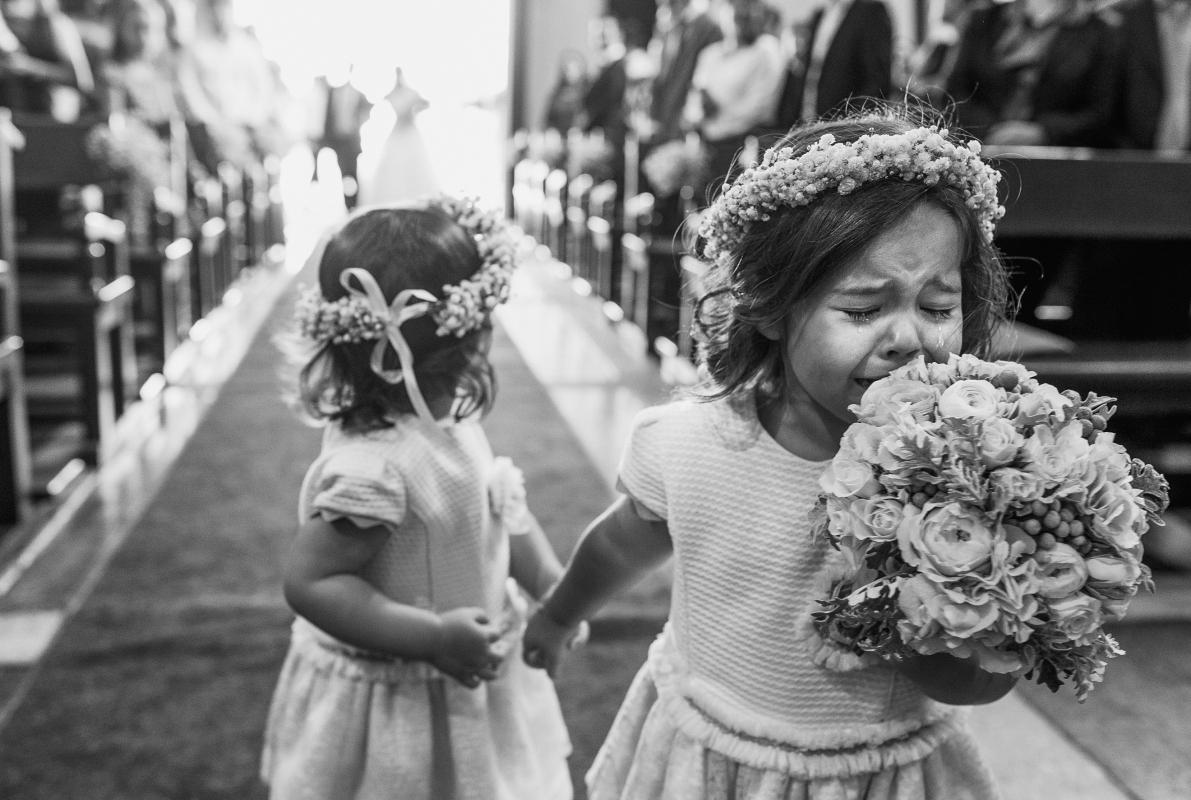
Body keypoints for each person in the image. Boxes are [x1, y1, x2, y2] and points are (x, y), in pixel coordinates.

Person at [523, 107, 1018, 799]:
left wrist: (953, 626)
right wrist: (557, 613)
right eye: (863, 307)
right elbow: (618, 545)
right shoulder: (688, 444)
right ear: (771, 304)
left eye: (937, 306)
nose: (910, 337)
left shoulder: (963, 473)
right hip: (712, 753)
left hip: (871, 769)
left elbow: (974, 682)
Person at [260, 198, 575, 800]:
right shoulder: (373, 469)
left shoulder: (443, 418)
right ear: (472, 335)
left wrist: (553, 588)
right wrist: (431, 636)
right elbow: (313, 582)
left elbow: (498, 509)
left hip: (467, 665)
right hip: (401, 688)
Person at [944, 0, 1119, 146]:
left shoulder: (1101, 31)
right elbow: (954, 93)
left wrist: (1043, 133)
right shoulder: (984, 20)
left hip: (1058, 157)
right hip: (980, 148)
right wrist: (991, 130)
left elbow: (1101, 113)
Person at [688, 0, 785, 199]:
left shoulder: (764, 52)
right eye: (734, 12)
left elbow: (762, 107)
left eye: (745, 13)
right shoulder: (710, 54)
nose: (739, 18)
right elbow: (694, 99)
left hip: (740, 147)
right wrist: (699, 111)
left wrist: (718, 114)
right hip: (705, 147)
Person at [775, 0, 894, 129]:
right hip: (809, 125)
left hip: (843, 129)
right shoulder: (822, 14)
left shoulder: (870, 10)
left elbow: (877, 82)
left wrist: (849, 127)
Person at [356, 68, 439, 206]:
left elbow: (427, 104)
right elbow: (372, 104)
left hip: (410, 134)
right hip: (396, 134)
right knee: (391, 172)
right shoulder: (391, 94)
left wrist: (416, 109)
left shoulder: (412, 93)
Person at [649, 0, 722, 143]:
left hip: (689, 123)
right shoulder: (668, 27)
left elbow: (706, 81)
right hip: (665, 119)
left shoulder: (707, 28)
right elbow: (662, 75)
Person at [542, 48, 588, 133]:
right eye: (568, 69)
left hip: (580, 136)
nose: (572, 73)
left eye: (575, 68)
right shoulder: (557, 94)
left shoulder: (587, 92)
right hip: (557, 137)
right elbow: (548, 120)